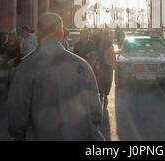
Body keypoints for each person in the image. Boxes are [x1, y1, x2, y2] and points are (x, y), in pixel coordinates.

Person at [7, 13, 104, 141]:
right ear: (61, 35)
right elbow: (95, 113)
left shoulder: (26, 67)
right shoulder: (82, 66)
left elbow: (17, 116)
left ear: (37, 34)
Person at [94, 29, 116, 105]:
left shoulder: (110, 43)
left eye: (107, 34)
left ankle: (105, 95)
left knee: (107, 80)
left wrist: (114, 62)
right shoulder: (98, 43)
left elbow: (112, 54)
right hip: (102, 64)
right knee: (101, 80)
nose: (106, 36)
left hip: (107, 65)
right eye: (105, 34)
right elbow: (96, 53)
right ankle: (101, 95)